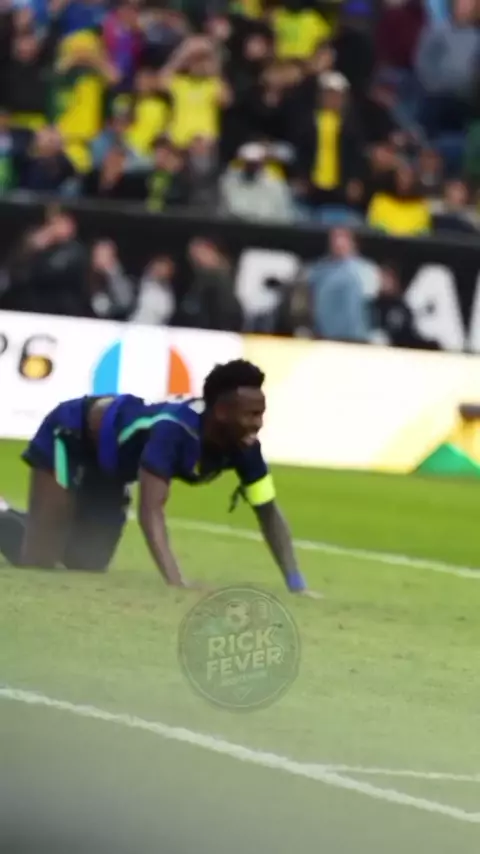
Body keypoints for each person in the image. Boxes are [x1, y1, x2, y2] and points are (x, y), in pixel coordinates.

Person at [0, 360, 319, 597]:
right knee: (38, 560)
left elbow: (267, 510)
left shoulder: (245, 448)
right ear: (222, 412)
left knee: (87, 561)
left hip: (110, 469)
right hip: (72, 435)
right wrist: (175, 581)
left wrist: (296, 584)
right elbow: (151, 510)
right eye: (251, 414)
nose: (258, 424)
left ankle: (42, 521)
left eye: (261, 414)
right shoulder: (173, 430)